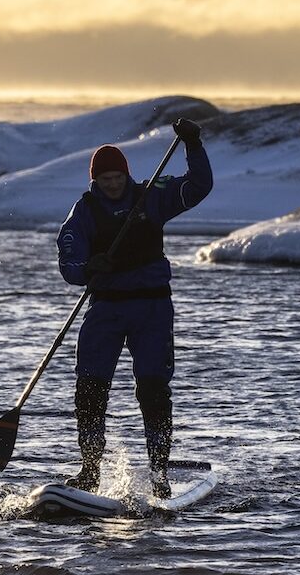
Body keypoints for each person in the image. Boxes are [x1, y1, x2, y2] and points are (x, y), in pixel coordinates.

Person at [55, 117, 213, 498]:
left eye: (117, 177)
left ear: (126, 175)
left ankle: (159, 473)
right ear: (95, 180)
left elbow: (198, 187)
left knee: (153, 390)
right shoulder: (84, 212)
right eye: (105, 179)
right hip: (105, 309)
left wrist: (193, 144)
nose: (112, 184)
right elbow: (69, 263)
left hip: (152, 309)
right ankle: (90, 471)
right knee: (90, 389)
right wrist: (88, 267)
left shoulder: (152, 195)